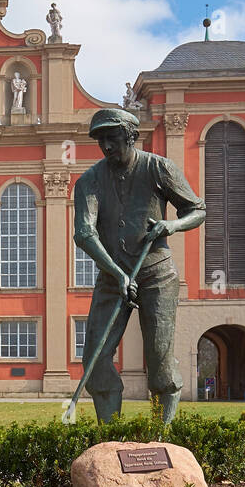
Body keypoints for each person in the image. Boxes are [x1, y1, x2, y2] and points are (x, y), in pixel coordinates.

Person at [74, 108, 206, 425]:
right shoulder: (89, 181)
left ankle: (162, 436)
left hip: (156, 273)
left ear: (131, 136)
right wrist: (118, 274)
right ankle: (111, 434)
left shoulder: (158, 168)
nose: (106, 146)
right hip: (112, 277)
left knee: (159, 358)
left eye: (113, 137)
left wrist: (171, 226)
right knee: (94, 358)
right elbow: (84, 233)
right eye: (101, 140)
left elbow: (197, 209)